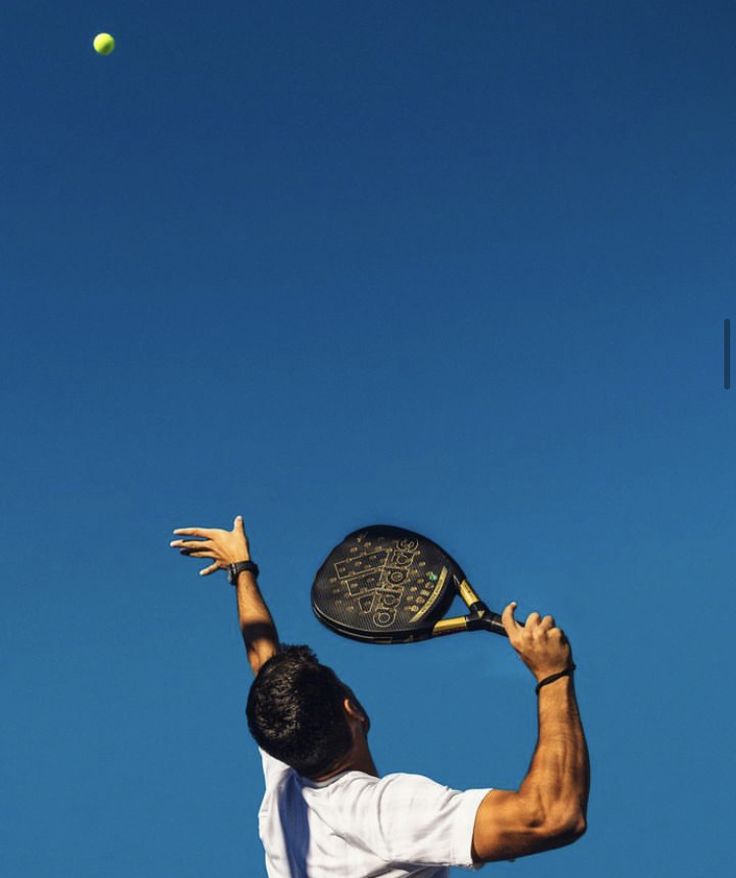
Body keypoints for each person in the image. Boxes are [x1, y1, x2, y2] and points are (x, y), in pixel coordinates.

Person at [170, 515, 589, 876]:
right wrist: (553, 675)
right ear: (354, 709)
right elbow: (551, 816)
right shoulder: (384, 814)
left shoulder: (286, 788)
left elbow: (264, 659)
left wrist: (241, 569)